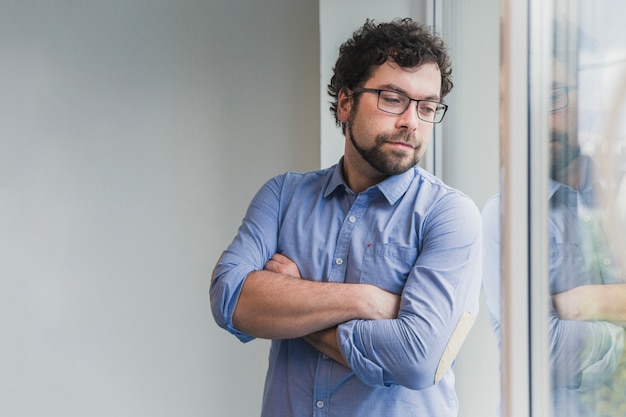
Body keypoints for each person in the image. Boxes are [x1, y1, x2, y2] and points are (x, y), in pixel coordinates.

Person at [210, 18, 482, 417]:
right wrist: (368, 300)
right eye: (392, 98)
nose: (411, 121)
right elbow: (230, 299)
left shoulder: (449, 215)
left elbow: (419, 357)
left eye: (427, 107)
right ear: (345, 102)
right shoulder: (283, 196)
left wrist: (295, 308)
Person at [481, 52, 626, 416]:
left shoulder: (618, 197)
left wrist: (582, 302)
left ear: (585, 97)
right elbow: (541, 353)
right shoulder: (504, 215)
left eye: (552, 98)